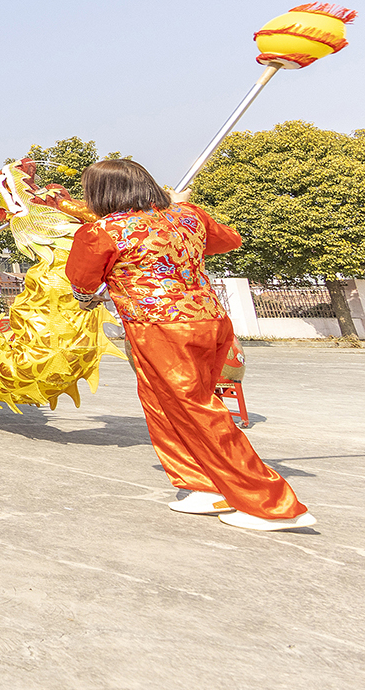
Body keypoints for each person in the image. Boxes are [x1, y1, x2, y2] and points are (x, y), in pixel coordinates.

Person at [66, 159, 315, 532]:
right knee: (162, 405)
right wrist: (176, 207)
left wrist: (86, 297)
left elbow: (83, 284)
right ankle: (201, 484)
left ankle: (271, 503)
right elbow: (229, 241)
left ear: (101, 194)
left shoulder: (100, 232)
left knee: (199, 410)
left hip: (162, 329)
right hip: (210, 321)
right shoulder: (189, 216)